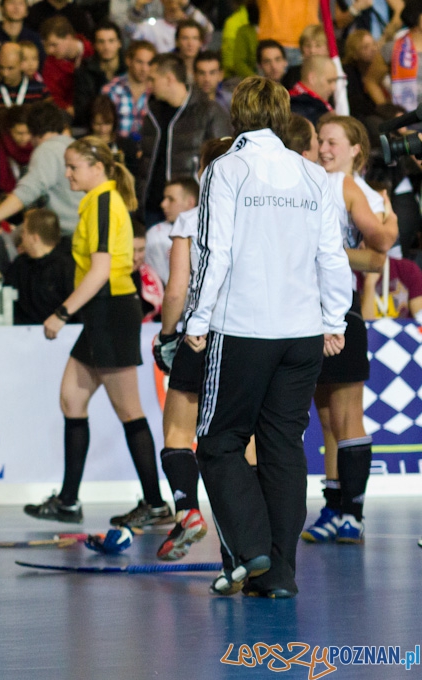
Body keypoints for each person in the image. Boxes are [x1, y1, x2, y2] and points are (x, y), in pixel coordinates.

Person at [183, 77, 353, 598]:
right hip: (302, 333)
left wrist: (196, 317)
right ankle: (279, 574)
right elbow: (332, 255)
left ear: (236, 115)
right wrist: (335, 319)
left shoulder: (226, 170)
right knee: (282, 448)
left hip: (244, 328)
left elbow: (216, 252)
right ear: (281, 116)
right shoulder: (312, 174)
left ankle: (253, 547)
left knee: (217, 441)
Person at [27, 135, 169, 528]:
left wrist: (62, 312)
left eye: (73, 167)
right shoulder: (97, 201)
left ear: (98, 168)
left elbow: (103, 269)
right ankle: (70, 500)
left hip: (111, 309)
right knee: (72, 400)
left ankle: (155, 503)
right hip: (103, 311)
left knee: (129, 411)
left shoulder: (104, 201)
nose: (67, 173)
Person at [296, 114, 397, 545]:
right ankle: (335, 506)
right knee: (326, 418)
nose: (324, 148)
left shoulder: (347, 186)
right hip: (307, 310)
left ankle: (352, 513)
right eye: (321, 141)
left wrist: (328, 252)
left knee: (346, 416)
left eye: (333, 141)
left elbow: (380, 251)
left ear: (356, 149)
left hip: (338, 310)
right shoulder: (317, 183)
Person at [151, 137, 233, 562]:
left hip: (199, 336)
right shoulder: (251, 214)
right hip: (247, 336)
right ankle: (243, 545)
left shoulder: (189, 219)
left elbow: (177, 288)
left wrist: (167, 336)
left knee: (178, 432)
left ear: (203, 172)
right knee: (242, 444)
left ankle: (187, 512)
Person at [136, 52, 230, 226]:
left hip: (191, 210)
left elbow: (224, 162)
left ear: (169, 78)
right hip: (151, 208)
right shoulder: (151, 112)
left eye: (153, 79)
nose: (148, 85)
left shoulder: (209, 112)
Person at [0, 101, 81, 238]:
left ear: (32, 130)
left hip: (67, 235)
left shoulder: (46, 150)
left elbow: (24, 194)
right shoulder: (73, 145)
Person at [4, 208, 77, 324]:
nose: (21, 237)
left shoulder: (67, 267)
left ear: (35, 238)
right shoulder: (20, 265)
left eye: (24, 232)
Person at [145, 176, 198, 285]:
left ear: (190, 203)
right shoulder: (156, 235)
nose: (163, 204)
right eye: (164, 198)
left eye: (171, 199)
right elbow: (161, 283)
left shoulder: (212, 232)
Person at [74, 21, 125, 130]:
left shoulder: (128, 70)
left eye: (111, 41)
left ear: (119, 43)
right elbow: (82, 110)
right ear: (94, 45)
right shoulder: (84, 72)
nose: (106, 47)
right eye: (101, 42)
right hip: (95, 128)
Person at [101, 39, 155, 139]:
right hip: (118, 148)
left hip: (148, 150)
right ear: (128, 61)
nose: (144, 68)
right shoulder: (111, 90)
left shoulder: (156, 92)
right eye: (139, 62)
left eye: (149, 63)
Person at [39, 17, 84, 122]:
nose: (50, 50)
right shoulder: (50, 63)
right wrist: (67, 108)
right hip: (69, 116)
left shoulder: (92, 50)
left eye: (54, 45)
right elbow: (53, 95)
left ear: (68, 38)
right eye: (47, 46)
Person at [126, 0, 212, 54]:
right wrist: (138, 7)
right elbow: (129, 31)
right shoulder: (151, 26)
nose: (173, 3)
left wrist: (187, 6)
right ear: (162, 1)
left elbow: (209, 30)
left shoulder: (193, 25)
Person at [288, 54, 337, 124]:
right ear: (312, 78)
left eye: (335, 81)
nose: (334, 88)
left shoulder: (290, 101)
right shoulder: (302, 110)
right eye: (329, 81)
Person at [131, 222, 164, 320]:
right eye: (131, 250)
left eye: (141, 250)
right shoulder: (104, 278)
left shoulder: (154, 279)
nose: (136, 257)